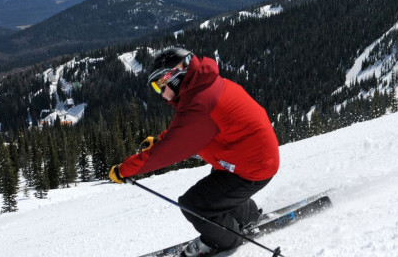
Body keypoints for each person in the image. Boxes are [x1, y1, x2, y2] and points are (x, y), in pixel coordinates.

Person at [109, 47, 281, 257]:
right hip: (248, 158)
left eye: (158, 87)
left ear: (172, 78)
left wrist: (124, 170)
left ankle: (227, 240)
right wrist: (160, 140)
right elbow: (188, 131)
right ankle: (248, 217)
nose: (160, 94)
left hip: (252, 166)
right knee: (216, 191)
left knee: (195, 205)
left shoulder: (200, 102)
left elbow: (172, 148)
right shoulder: (204, 88)